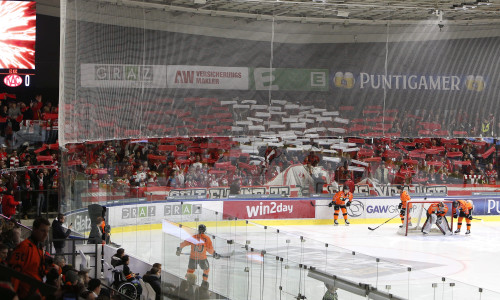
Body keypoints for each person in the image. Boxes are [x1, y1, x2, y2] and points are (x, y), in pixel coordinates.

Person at [8, 217, 51, 299]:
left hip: (36, 292)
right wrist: (12, 294)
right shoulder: (24, 247)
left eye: (47, 231)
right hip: (27, 295)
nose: (46, 234)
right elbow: (15, 272)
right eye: (43, 231)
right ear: (34, 229)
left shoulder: (38, 247)